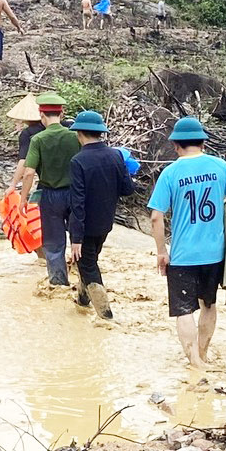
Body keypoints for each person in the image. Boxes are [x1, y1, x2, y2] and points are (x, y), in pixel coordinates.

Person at [148, 117, 226, 374]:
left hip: (182, 255)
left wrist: (161, 251)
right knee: (209, 305)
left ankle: (194, 362)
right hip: (214, 253)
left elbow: (156, 216)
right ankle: (204, 353)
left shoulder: (170, 173)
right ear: (203, 142)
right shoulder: (219, 165)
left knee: (183, 310)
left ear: (176, 145)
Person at [66, 111, 135, 319]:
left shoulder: (78, 161)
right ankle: (82, 300)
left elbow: (77, 203)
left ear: (79, 133)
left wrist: (75, 238)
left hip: (85, 227)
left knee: (88, 266)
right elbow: (127, 189)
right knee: (89, 262)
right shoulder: (115, 155)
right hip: (105, 223)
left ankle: (106, 317)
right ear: (100, 133)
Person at [13, 97, 80, 287]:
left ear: (42, 115)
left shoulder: (38, 139)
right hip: (75, 194)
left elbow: (28, 172)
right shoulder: (74, 136)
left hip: (50, 196)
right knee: (79, 239)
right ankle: (85, 281)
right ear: (62, 114)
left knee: (54, 244)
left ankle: (59, 285)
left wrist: (23, 199)